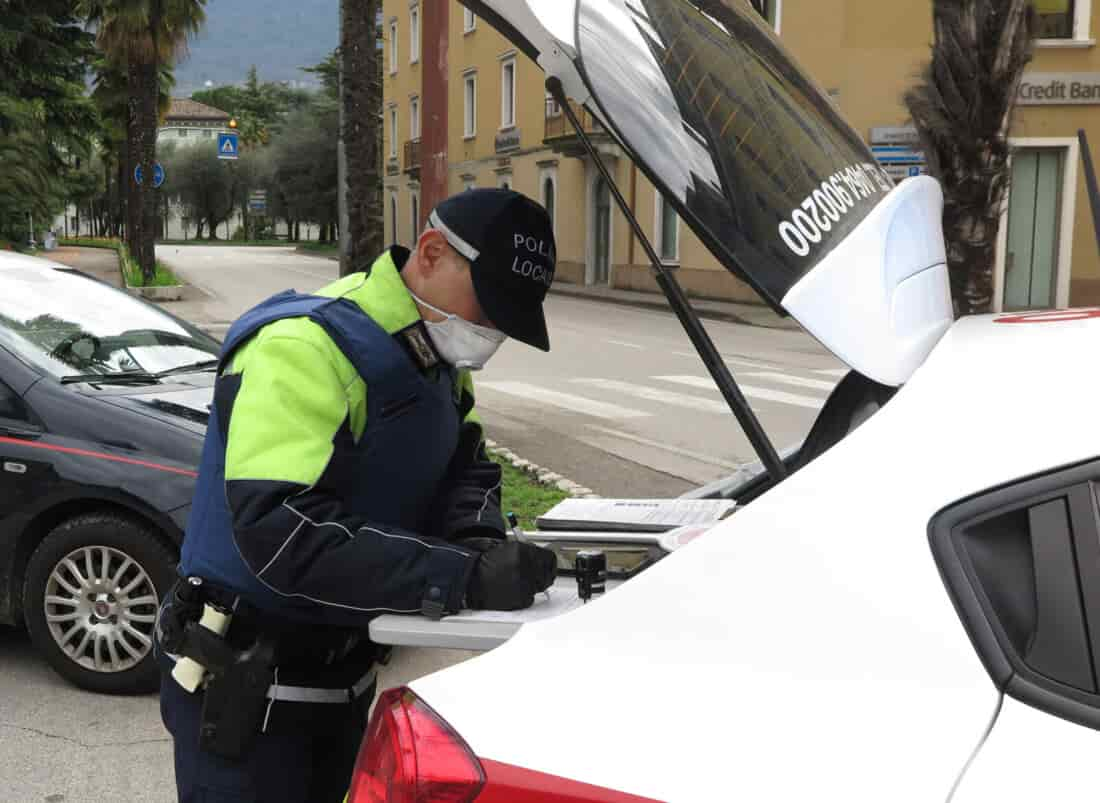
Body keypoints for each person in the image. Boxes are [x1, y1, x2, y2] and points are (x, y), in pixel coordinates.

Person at [155, 188, 560, 803]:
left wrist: (478, 537)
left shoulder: (434, 352)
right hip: (246, 684)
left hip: (341, 676)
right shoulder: (302, 345)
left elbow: (464, 462)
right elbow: (280, 530)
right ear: (430, 253)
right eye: (489, 305)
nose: (492, 329)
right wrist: (463, 576)